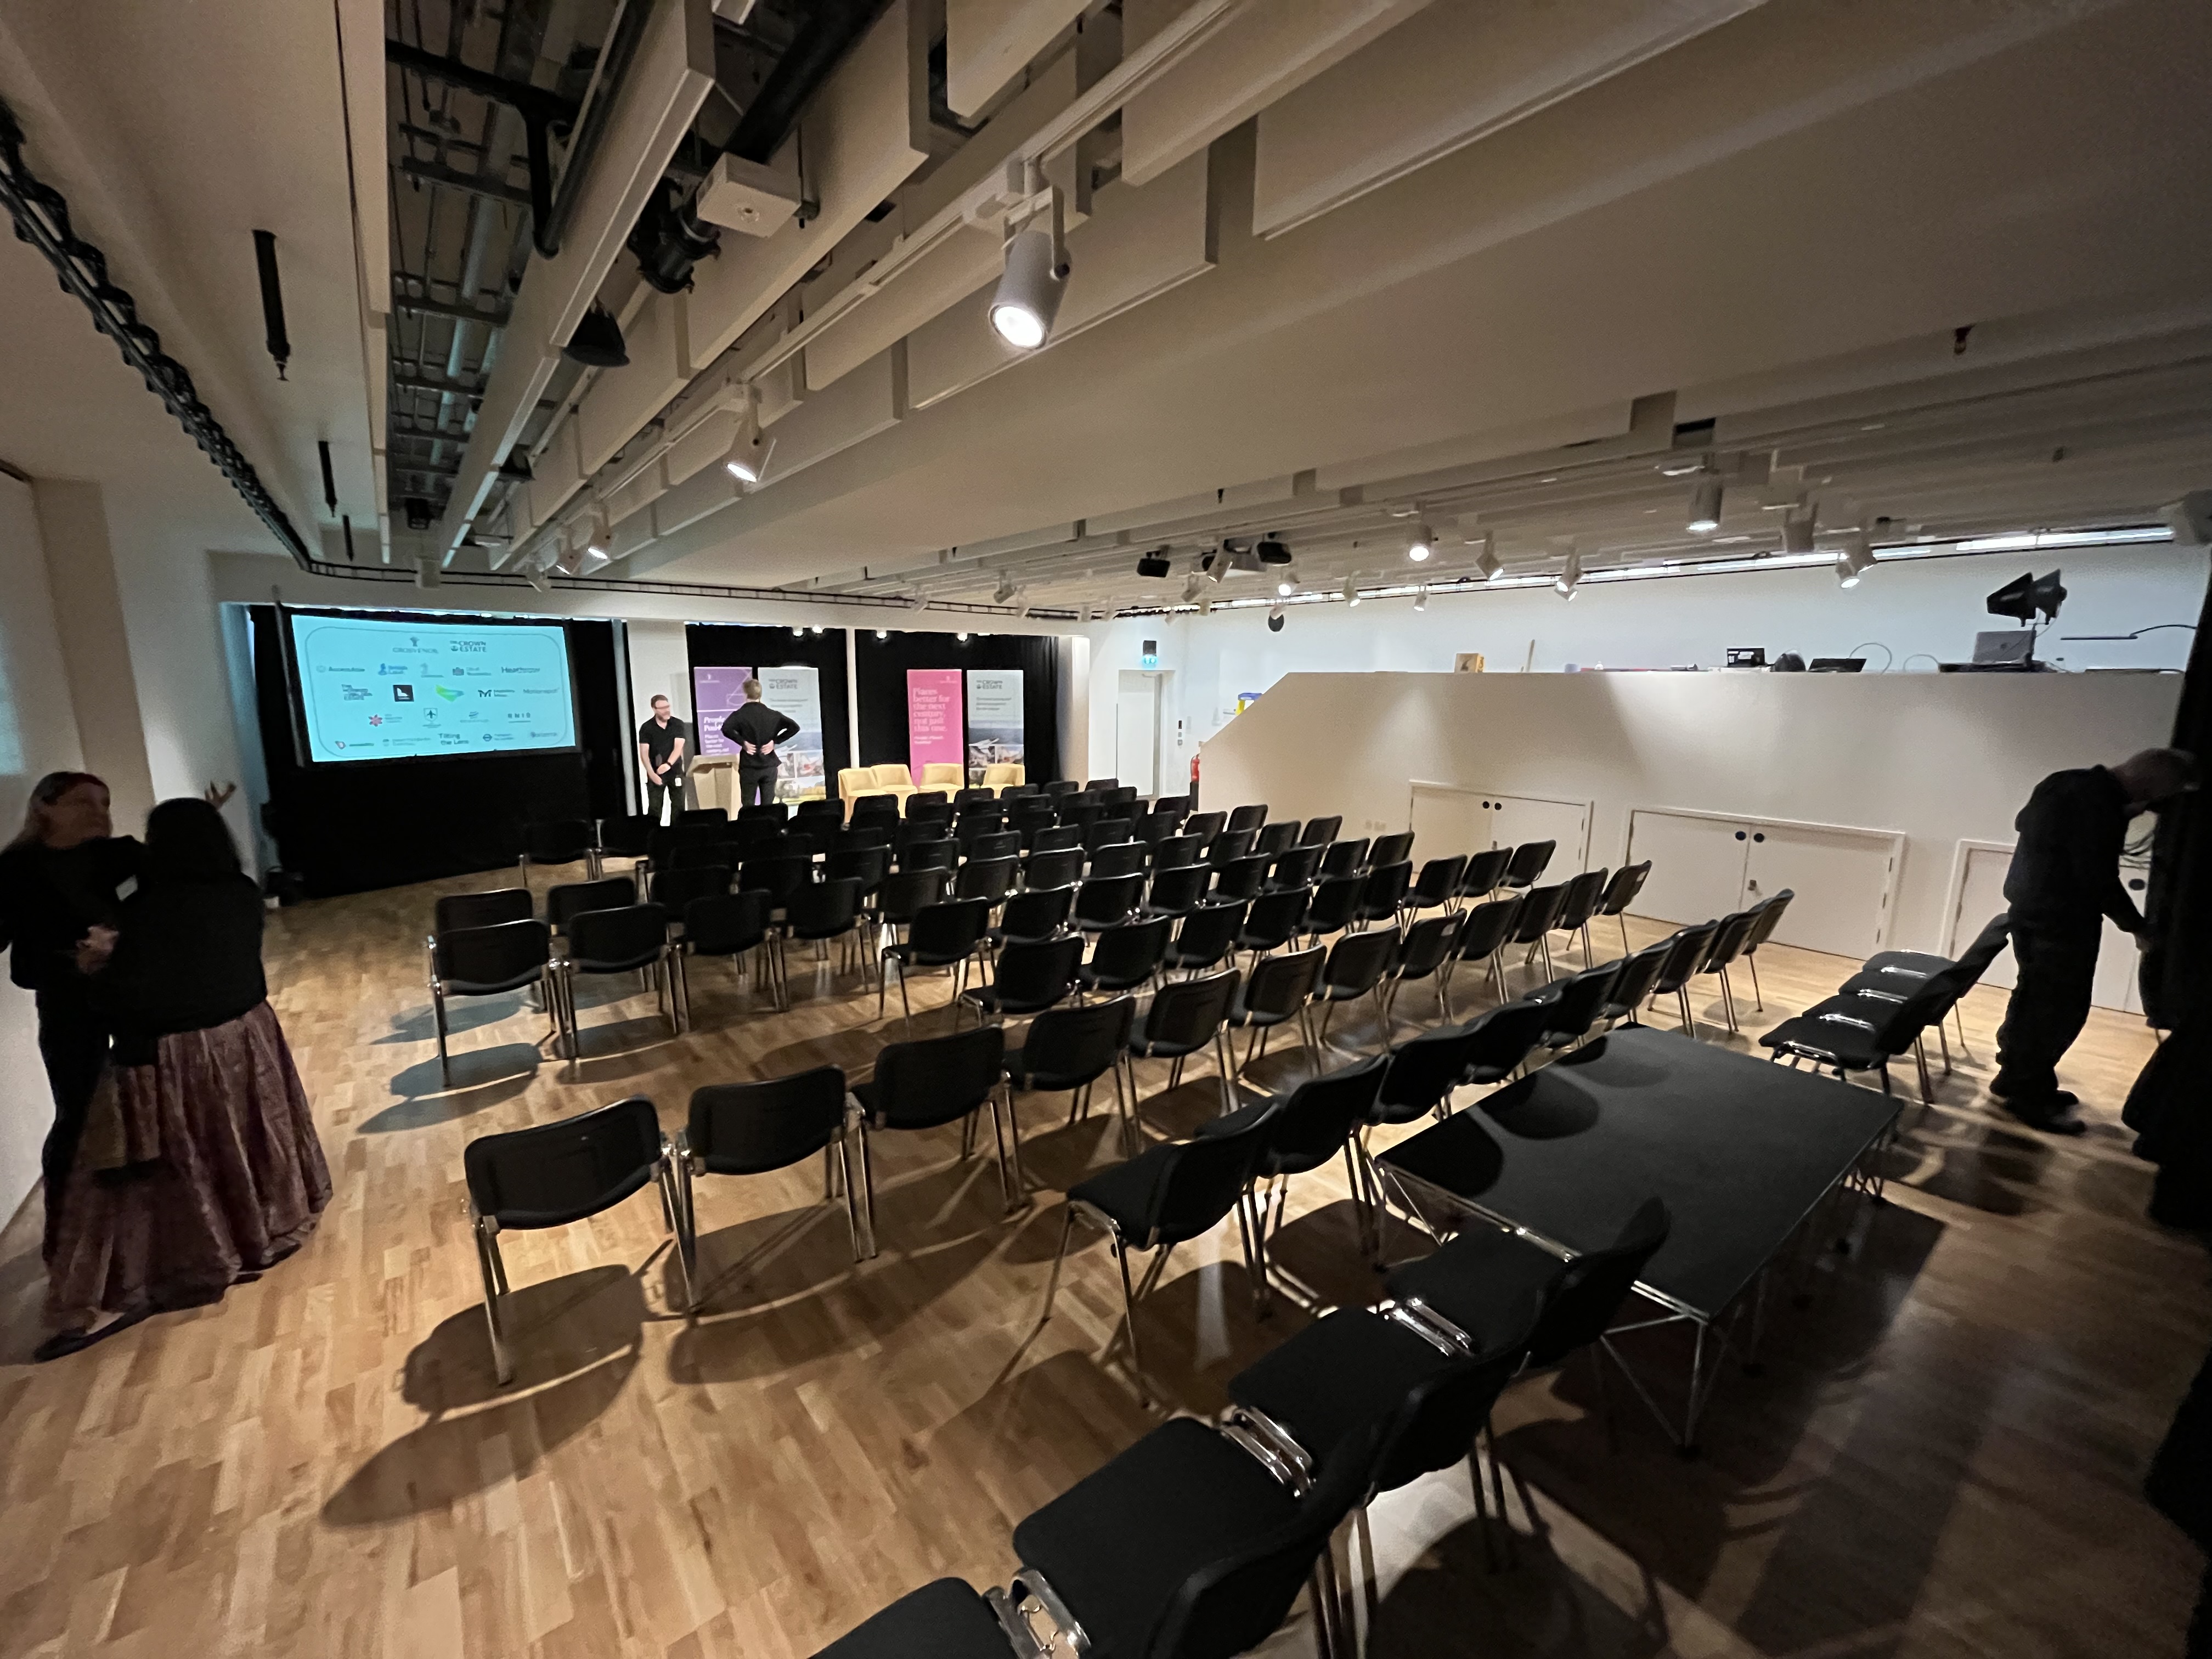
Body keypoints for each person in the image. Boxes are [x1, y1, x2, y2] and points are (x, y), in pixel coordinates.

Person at [39, 797, 330, 1359]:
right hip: (245, 1040)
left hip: (177, 1058)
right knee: (241, 1140)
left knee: (163, 1166)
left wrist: (93, 970)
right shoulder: (242, 895)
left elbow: (130, 1003)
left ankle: (198, 1252)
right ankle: (263, 1224)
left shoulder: (146, 916)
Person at [1993, 746, 2198, 1132]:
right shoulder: (2099, 807)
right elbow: (2097, 877)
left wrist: (2116, 816)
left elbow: (2027, 822)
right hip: (2062, 919)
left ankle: (2016, 1079)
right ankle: (2027, 1097)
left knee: (2034, 999)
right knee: (2059, 1010)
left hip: (2029, 909)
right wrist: (2137, 927)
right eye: (2160, 795)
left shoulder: (2064, 781)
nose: (2155, 805)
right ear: (2152, 783)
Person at [0, 772, 142, 1263]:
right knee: (78, 1113)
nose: (98, 812)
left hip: (130, 997)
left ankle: (142, 1225)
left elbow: (164, 908)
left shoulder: (121, 854)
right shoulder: (16, 868)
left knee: (143, 1106)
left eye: (104, 802)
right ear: (45, 807)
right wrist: (72, 960)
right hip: (66, 1003)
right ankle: (69, 1235)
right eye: (83, 802)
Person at [721, 678, 800, 809]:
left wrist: (743, 742)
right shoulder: (773, 715)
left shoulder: (740, 715)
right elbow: (794, 727)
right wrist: (775, 741)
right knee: (768, 806)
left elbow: (726, 729)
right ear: (760, 694)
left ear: (745, 694)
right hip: (769, 766)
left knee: (748, 806)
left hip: (749, 766)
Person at [635, 694, 689, 823]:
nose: (666, 710)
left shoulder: (677, 724)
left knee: (679, 808)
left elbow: (678, 747)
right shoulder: (647, 728)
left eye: (667, 706)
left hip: (675, 771)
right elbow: (644, 753)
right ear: (654, 709)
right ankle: (654, 836)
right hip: (656, 773)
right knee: (654, 809)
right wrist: (652, 774)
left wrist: (669, 764)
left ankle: (677, 836)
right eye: (662, 708)